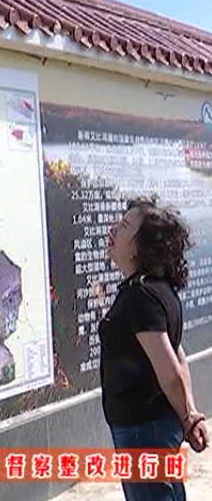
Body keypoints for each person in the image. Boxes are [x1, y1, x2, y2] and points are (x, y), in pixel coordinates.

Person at [100, 195, 208, 501]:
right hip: (152, 428)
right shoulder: (157, 290)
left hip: (143, 431)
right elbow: (178, 356)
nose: (113, 229)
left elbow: (170, 370)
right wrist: (189, 413)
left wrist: (189, 417)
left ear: (140, 247)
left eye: (124, 226)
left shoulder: (140, 296)